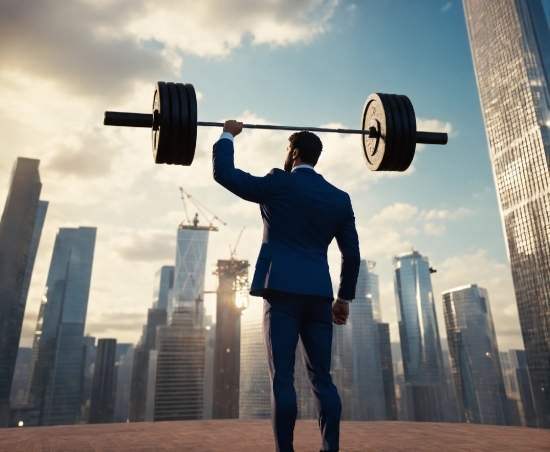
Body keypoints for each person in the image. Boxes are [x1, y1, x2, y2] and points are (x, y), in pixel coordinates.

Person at [213, 120, 360, 452]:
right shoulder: (340, 198)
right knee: (322, 380)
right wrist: (343, 299)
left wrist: (228, 135)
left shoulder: (277, 183)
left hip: (281, 294)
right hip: (320, 297)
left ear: (293, 153)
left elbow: (225, 174)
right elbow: (351, 255)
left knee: (282, 378)